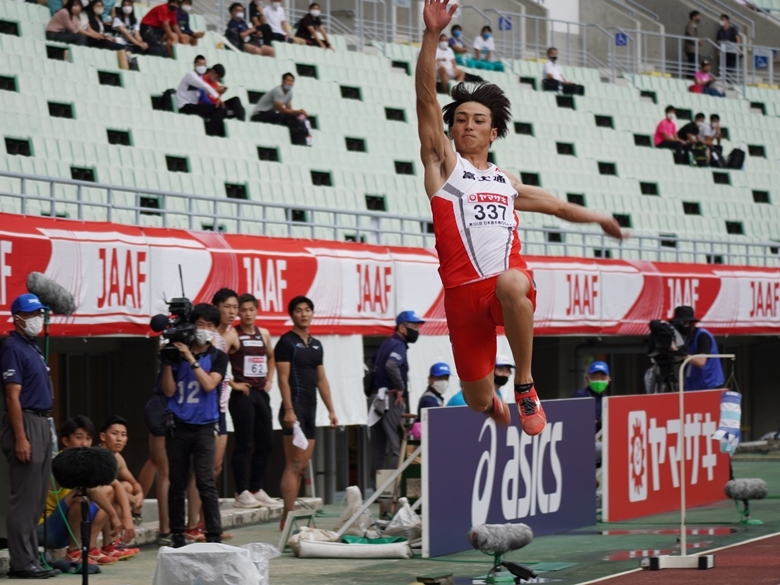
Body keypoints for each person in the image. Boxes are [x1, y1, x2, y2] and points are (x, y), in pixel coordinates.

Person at [415, 0, 625, 436]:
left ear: (493, 133)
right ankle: (490, 398)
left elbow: (558, 207)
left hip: (504, 287)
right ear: (452, 130)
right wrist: (433, 34)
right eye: (462, 120)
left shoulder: (506, 181)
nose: (468, 126)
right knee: (475, 401)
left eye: (479, 121)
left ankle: (525, 384)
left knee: (513, 280)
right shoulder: (443, 168)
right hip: (461, 297)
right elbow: (425, 98)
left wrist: (598, 217)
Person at [160, 303, 227, 547]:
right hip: (178, 424)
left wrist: (191, 359)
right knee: (177, 481)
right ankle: (177, 533)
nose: (205, 330)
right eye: (201, 324)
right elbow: (168, 390)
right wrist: (167, 361)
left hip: (205, 426)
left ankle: (214, 534)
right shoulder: (177, 353)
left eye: (210, 325)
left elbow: (210, 385)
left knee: (205, 481)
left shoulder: (219, 357)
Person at [1, 294, 58, 579]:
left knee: (37, 497)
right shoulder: (12, 347)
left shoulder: (32, 346)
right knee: (24, 497)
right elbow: (13, 397)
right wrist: (21, 437)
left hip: (41, 421)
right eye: (32, 313)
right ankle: (21, 563)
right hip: (26, 421)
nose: (37, 318)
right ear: (18, 317)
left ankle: (31, 557)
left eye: (39, 313)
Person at [275, 296, 338, 528]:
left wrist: (331, 410)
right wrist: (289, 410)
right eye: (299, 311)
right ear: (292, 315)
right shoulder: (286, 343)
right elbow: (282, 379)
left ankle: (290, 515)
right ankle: (288, 517)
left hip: (311, 409)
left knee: (302, 467)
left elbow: (321, 380)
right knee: (293, 464)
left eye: (307, 310)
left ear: (312, 314)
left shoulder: (316, 344)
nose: (304, 314)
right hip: (296, 408)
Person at [36, 416, 132, 566]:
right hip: (48, 530)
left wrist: (126, 518)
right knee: (80, 496)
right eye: (79, 438)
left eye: (88, 438)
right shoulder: (62, 461)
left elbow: (114, 484)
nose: (85, 443)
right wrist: (114, 516)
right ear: (66, 441)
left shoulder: (84, 461)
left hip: (66, 526)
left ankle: (92, 549)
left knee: (107, 490)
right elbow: (90, 491)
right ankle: (74, 552)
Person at [228, 293, 277, 509]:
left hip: (260, 393)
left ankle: (257, 488)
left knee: (266, 442)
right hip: (242, 394)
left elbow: (271, 356)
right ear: (238, 312)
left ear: (257, 310)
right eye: (243, 310)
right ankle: (241, 491)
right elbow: (213, 359)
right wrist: (232, 383)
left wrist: (270, 378)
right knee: (244, 444)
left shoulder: (263, 333)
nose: (247, 314)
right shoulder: (232, 335)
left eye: (251, 310)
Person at [368, 310, 423, 485]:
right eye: (413, 326)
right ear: (401, 327)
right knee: (396, 445)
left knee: (378, 447)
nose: (416, 330)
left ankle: (378, 490)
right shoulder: (398, 344)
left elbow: (371, 364)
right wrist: (399, 387)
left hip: (377, 398)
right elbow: (392, 364)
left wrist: (378, 385)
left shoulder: (386, 343)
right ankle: (392, 487)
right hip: (391, 399)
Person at [99, 416, 143, 524]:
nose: (119, 438)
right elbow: (99, 490)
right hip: (94, 504)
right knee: (116, 492)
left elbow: (134, 482)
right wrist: (128, 498)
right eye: (114, 433)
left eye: (123, 435)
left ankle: (115, 536)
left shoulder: (117, 457)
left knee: (127, 486)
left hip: (107, 507)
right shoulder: (98, 455)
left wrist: (140, 494)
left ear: (126, 440)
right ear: (103, 436)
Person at [175, 56, 232, 137]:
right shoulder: (191, 75)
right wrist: (217, 97)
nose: (202, 66)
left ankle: (216, 134)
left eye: (204, 64)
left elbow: (204, 93)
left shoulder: (200, 77)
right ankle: (211, 135)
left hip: (194, 106)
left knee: (220, 109)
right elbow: (204, 86)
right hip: (185, 106)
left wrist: (218, 93)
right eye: (200, 64)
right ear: (195, 65)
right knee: (219, 109)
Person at [671, 306, 725, 390]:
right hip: (694, 386)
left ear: (690, 323)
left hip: (709, 386)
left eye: (683, 323)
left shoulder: (702, 336)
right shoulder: (687, 339)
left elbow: (700, 362)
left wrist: (679, 352)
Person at [251, 72, 312, 146]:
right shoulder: (278, 91)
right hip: (259, 114)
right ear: (282, 81)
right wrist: (298, 111)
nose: (289, 83)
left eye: (291, 81)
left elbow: (289, 110)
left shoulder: (289, 94)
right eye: (287, 80)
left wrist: (299, 114)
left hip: (270, 114)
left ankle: (300, 141)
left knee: (292, 119)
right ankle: (277, 135)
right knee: (281, 116)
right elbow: (280, 109)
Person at [84, 0, 131, 68]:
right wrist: (100, 36)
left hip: (101, 39)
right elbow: (89, 30)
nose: (99, 8)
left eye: (101, 6)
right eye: (97, 6)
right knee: (121, 47)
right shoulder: (89, 16)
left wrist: (106, 37)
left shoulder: (99, 18)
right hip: (94, 39)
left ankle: (128, 62)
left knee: (127, 47)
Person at [572, 361, 610, 431]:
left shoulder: (607, 399)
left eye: (602, 378)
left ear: (608, 380)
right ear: (587, 379)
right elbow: (578, 421)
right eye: (595, 377)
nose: (599, 381)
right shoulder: (580, 396)